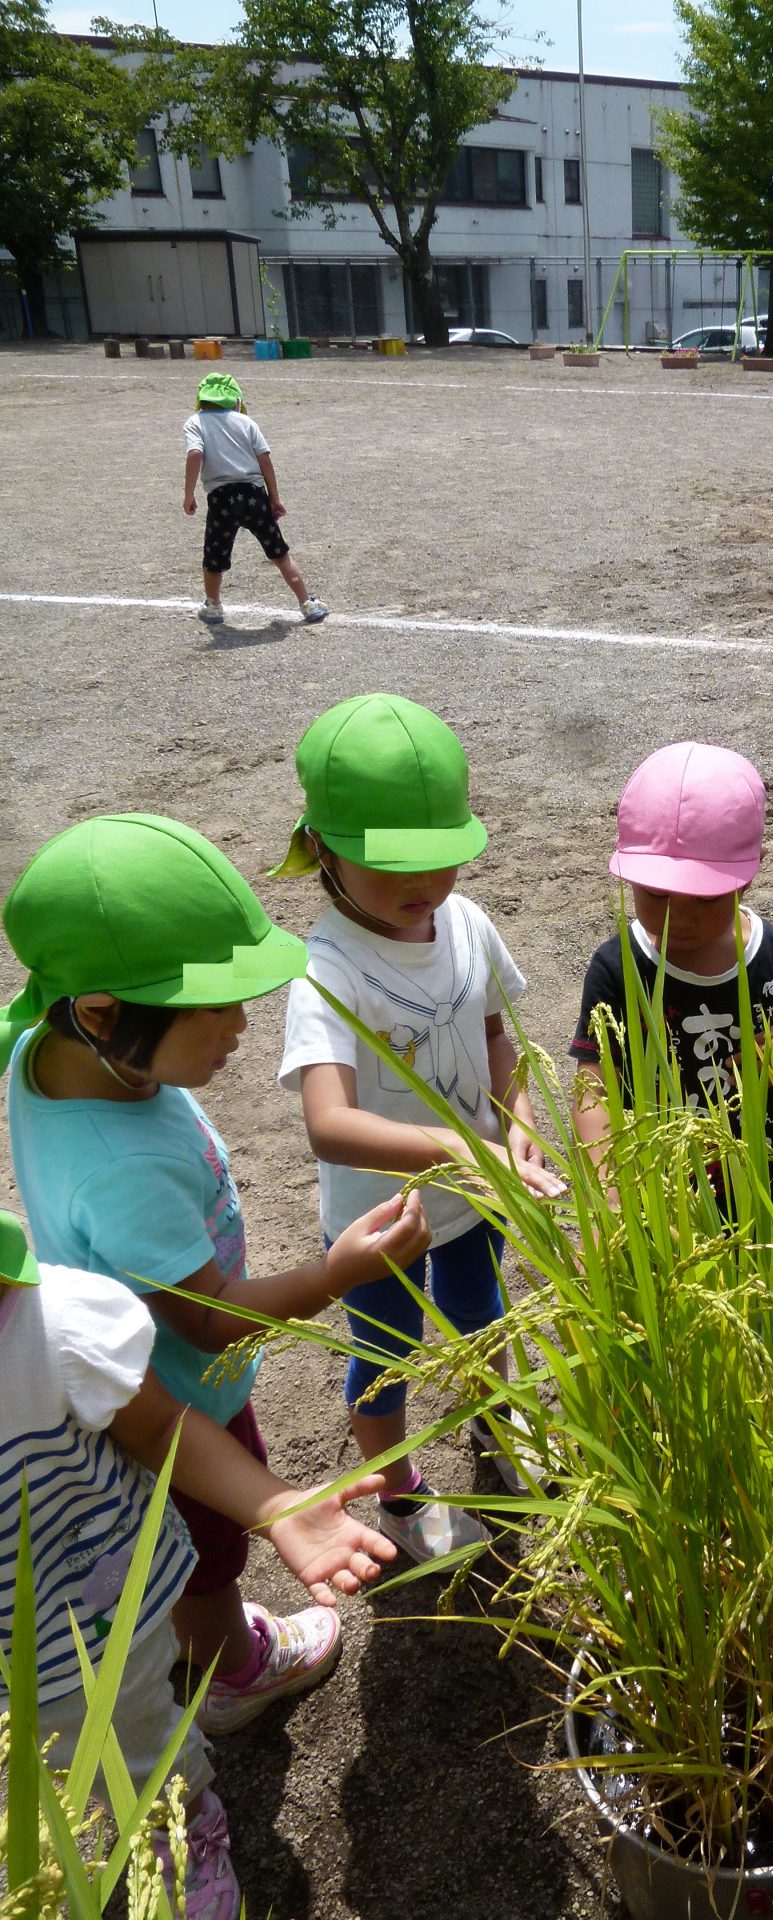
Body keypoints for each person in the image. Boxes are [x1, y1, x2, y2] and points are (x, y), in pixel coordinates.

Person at [0, 813, 430, 1735]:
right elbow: (211, 1318)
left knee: (194, 1542)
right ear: (101, 1012)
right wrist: (337, 1272)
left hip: (156, 1374)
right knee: (204, 1552)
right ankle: (232, 1669)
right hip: (174, 1394)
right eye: (213, 1007)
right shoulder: (123, 1168)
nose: (241, 1025)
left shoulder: (50, 1051)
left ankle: (210, 1640)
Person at [0, 1210, 397, 1920]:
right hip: (38, 1666)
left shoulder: (49, 1322)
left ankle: (185, 1806)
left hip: (104, 1609)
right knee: (112, 1760)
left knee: (142, 1717)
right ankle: (174, 1826)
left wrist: (277, 1506)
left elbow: (158, 1425)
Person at [277, 694, 563, 1564]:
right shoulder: (327, 971)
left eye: (441, 861)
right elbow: (330, 1125)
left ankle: (495, 1424)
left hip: (474, 1194)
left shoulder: (466, 923)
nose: (424, 886)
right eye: (392, 868)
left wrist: (515, 1119)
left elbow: (494, 1033)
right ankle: (400, 1497)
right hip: (379, 1218)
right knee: (387, 1353)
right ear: (323, 850)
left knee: (484, 1316)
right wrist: (461, 1146)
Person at [569, 740, 773, 1159]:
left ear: (748, 877)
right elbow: (592, 1088)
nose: (678, 918)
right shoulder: (617, 968)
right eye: (656, 894)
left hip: (763, 1178)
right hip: (654, 1183)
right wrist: (608, 1182)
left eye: (705, 899)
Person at [182, 371, 327, 627]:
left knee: (215, 555)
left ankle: (213, 605)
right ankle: (307, 604)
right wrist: (274, 498)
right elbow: (265, 460)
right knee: (279, 552)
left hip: (221, 498)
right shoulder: (246, 422)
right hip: (253, 494)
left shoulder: (195, 422)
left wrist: (189, 494)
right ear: (234, 399)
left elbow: (195, 454)